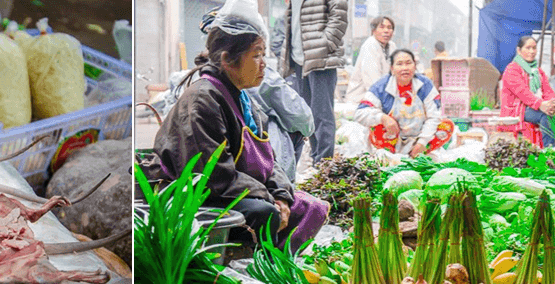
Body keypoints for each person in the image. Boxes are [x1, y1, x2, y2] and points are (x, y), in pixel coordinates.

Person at [138, 0, 329, 252]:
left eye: (263, 55)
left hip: (232, 186)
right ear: (227, 60)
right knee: (264, 212)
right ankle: (249, 262)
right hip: (193, 193)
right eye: (256, 55)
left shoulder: (244, 99)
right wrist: (268, 197)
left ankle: (272, 260)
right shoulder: (202, 101)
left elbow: (270, 161)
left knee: (311, 207)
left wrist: (281, 194)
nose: (263, 63)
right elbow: (214, 177)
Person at [280, 0, 349, 164]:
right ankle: (316, 158)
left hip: (320, 57)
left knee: (322, 112)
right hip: (299, 58)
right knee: (308, 113)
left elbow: (339, 16)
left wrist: (325, 44)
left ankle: (324, 162)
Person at [354, 49, 455, 156]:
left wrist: (422, 142)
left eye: (408, 63)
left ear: (415, 66)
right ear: (392, 69)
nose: (405, 68)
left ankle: (418, 154)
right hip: (391, 139)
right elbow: (360, 113)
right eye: (399, 64)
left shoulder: (425, 85)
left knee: (446, 126)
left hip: (419, 138)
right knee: (375, 126)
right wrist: (383, 118)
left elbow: (434, 116)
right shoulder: (381, 87)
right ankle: (390, 156)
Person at [499, 36, 555, 148]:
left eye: (534, 48)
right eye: (528, 48)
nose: (532, 51)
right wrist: (541, 104)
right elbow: (523, 93)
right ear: (519, 50)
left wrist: (553, 102)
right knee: (546, 115)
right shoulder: (512, 69)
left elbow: (547, 91)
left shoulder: (538, 71)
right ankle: (549, 149)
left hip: (535, 107)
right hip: (518, 110)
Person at [344, 15, 396, 103]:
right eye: (382, 27)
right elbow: (372, 81)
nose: (386, 31)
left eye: (389, 28)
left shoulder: (392, 46)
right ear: (374, 30)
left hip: (382, 96)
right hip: (361, 100)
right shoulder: (370, 45)